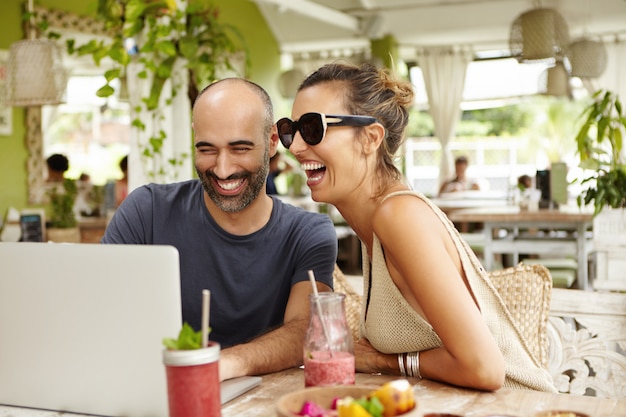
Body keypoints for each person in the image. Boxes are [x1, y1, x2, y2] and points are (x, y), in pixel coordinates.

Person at [278, 62, 555, 392]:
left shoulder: (399, 215)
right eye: (290, 130)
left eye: (312, 128)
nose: (294, 146)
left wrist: (382, 362)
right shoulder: (377, 223)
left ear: (370, 137)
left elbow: (485, 369)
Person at [101, 78, 338, 381]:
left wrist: (217, 366)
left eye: (239, 148)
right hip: (154, 389)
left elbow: (305, 332)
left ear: (272, 141)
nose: (223, 169)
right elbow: (103, 311)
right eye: (207, 149)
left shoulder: (308, 233)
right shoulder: (146, 211)